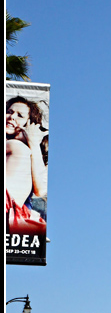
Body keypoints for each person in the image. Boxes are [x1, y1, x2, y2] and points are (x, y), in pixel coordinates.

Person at [5, 95, 48, 235]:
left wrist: (33, 142)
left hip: (14, 213)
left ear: (29, 124)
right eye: (9, 112)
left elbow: (40, 190)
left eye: (19, 115)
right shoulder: (14, 145)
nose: (11, 117)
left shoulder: (26, 149)